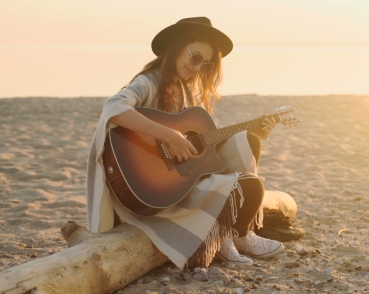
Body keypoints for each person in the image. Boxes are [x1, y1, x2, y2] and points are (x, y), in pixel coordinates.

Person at [85, 17, 284, 268]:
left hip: (180, 179)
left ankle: (237, 234)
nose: (197, 67)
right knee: (250, 186)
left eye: (206, 63)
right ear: (177, 47)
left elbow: (203, 143)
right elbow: (114, 107)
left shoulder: (185, 91)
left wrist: (258, 134)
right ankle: (227, 234)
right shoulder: (150, 81)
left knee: (248, 141)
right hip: (152, 185)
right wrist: (168, 135)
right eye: (195, 57)